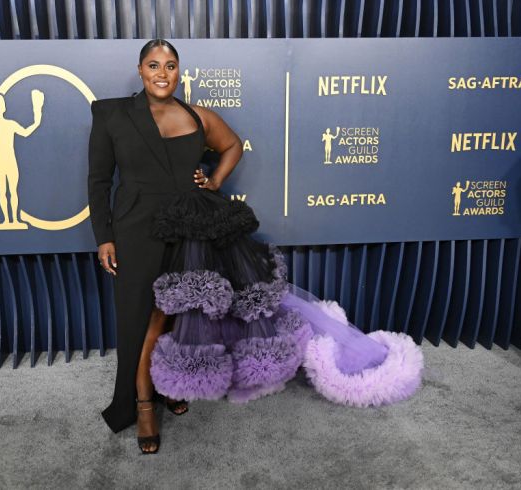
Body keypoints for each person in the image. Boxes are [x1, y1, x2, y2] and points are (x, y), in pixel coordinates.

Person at [88, 39, 424, 455]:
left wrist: (212, 182)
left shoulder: (198, 116)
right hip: (137, 230)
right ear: (140, 70)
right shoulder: (111, 114)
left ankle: (168, 384)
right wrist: (104, 236)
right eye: (153, 65)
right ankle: (140, 406)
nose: (162, 73)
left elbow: (233, 145)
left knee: (178, 317)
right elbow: (99, 181)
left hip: (191, 229)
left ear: (179, 72)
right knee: (140, 322)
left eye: (170, 65)